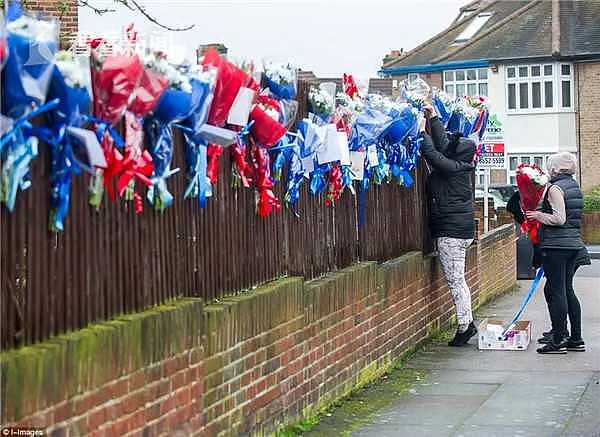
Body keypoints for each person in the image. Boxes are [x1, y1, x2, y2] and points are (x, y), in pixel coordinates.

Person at [421, 105, 478, 346]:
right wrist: (432, 117)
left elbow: (434, 154)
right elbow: (443, 145)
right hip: (460, 231)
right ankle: (468, 322)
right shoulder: (462, 167)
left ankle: (465, 326)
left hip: (452, 234)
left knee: (456, 281)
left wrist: (419, 133)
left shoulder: (454, 169)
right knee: (459, 280)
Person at [507, 190, 590, 349]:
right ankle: (564, 333)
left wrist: (538, 260)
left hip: (562, 249)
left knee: (558, 291)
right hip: (572, 247)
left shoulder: (541, 208)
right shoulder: (553, 195)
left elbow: (544, 236)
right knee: (558, 290)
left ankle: (562, 335)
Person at [525, 152, 587, 354]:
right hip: (573, 245)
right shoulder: (573, 185)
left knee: (556, 291)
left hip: (557, 247)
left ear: (556, 169)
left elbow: (559, 218)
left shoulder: (555, 188)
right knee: (567, 290)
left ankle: (558, 340)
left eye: (551, 166)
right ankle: (575, 338)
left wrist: (537, 215)